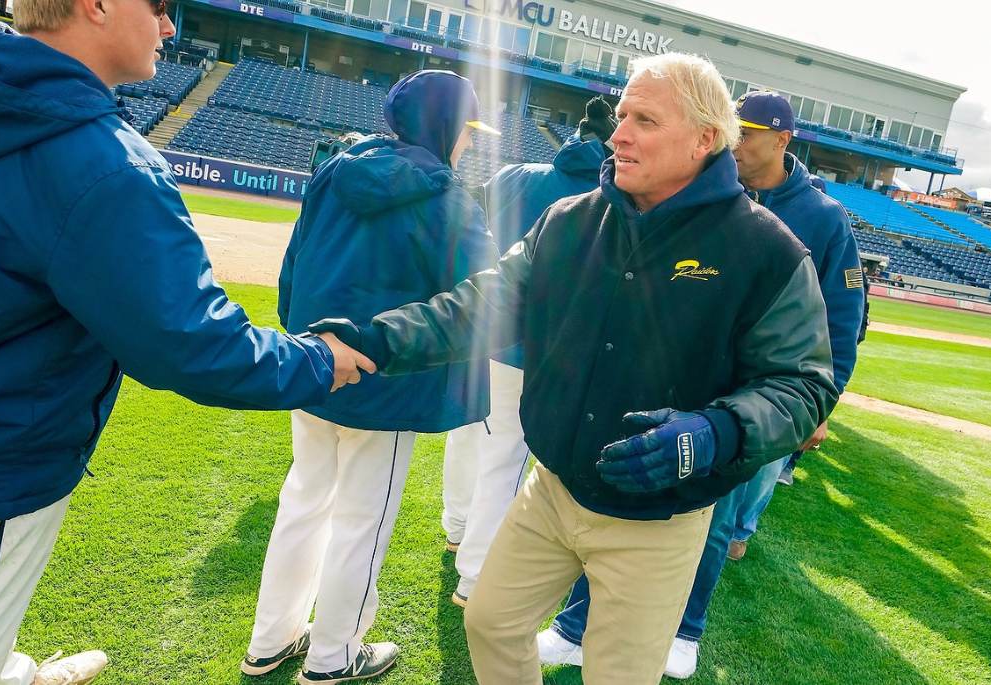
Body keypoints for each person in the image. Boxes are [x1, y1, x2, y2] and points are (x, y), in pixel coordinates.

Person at [309, 53, 838, 685]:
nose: (618, 133)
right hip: (553, 487)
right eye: (621, 116)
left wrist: (715, 433)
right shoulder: (571, 220)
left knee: (618, 675)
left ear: (704, 139)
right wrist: (374, 341)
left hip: (659, 515)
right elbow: (480, 308)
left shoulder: (767, 249)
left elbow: (802, 384)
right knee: (490, 622)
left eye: (644, 119)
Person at [0, 5, 372, 685]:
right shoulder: (101, 161)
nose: (170, 27)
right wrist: (320, 359)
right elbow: (193, 342)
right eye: (159, 6)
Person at [537, 90, 864, 679]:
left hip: (757, 400)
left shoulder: (821, 217)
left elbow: (839, 322)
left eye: (751, 130)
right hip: (673, 377)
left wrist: (822, 404)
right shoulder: (696, 188)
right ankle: (576, 625)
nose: (737, 138)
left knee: (715, 513)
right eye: (731, 127)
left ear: (783, 139)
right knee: (625, 494)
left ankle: (685, 629)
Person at [243, 70, 501, 685]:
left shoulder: (334, 168)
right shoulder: (448, 197)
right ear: (446, 127)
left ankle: (270, 641)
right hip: (383, 377)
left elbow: (294, 262)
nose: (467, 143)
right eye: (465, 130)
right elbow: (488, 297)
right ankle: (335, 657)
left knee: (303, 502)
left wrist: (304, 342)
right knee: (364, 520)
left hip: (313, 362)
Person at [440, 95, 616, 607]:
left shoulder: (515, 174)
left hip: (478, 327)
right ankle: (473, 578)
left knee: (468, 432)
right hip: (530, 346)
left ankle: (455, 527)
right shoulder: (601, 195)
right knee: (505, 459)